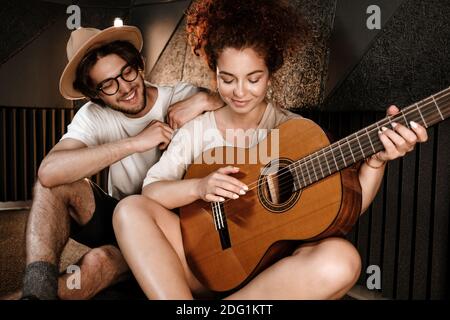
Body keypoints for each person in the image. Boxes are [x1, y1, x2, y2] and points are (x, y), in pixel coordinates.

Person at [112, 0, 428, 299]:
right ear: (214, 73)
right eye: (228, 79)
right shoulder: (197, 130)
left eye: (253, 79)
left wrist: (375, 162)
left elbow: (345, 208)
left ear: (270, 75)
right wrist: (199, 186)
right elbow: (151, 193)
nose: (239, 92)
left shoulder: (296, 133)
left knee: (342, 259)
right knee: (129, 211)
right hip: (200, 265)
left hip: (269, 274)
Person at [20, 25, 223, 300]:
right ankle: (37, 292)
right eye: (108, 84)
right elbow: (49, 172)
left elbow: (244, 104)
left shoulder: (182, 97)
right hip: (121, 217)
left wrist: (206, 98)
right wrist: (136, 142)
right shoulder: (94, 115)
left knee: (97, 263)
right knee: (52, 186)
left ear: (139, 65)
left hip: (173, 229)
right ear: (95, 95)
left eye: (126, 72)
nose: (125, 87)